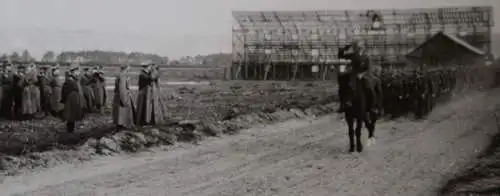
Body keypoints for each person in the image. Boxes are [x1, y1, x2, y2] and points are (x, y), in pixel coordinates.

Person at [344, 40, 382, 114]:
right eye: (358, 47)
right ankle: (348, 102)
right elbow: (351, 66)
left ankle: (373, 107)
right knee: (348, 86)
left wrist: (362, 74)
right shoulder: (354, 56)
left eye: (361, 46)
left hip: (365, 76)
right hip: (355, 76)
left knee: (369, 88)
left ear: (364, 47)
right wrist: (348, 69)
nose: (360, 48)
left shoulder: (367, 57)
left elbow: (369, 68)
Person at [61, 64, 85, 133]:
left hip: (74, 102)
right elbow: (64, 92)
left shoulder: (75, 80)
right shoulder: (69, 81)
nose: (78, 73)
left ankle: (71, 129)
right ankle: (70, 131)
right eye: (76, 72)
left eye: (78, 72)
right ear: (72, 72)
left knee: (73, 116)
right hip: (70, 102)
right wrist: (64, 101)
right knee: (70, 117)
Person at [112, 64, 135, 130]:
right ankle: (123, 126)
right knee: (123, 112)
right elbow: (122, 89)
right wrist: (124, 100)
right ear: (126, 68)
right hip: (122, 96)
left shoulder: (119, 75)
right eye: (128, 69)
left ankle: (120, 125)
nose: (129, 70)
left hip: (118, 96)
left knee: (119, 113)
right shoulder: (122, 76)